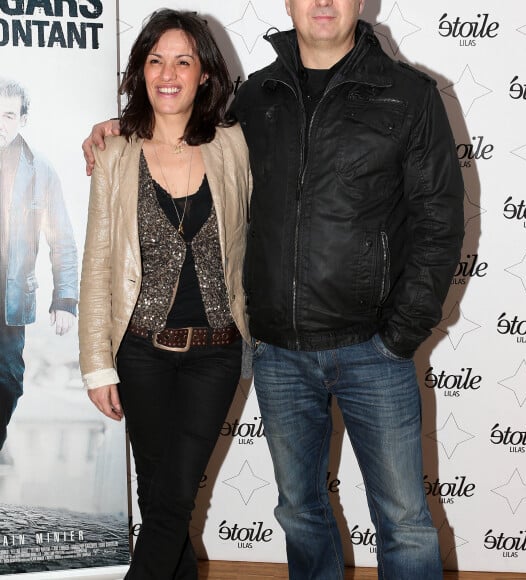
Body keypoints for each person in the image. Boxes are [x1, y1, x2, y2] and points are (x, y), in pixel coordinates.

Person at [83, 1, 464, 578]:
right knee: (299, 513)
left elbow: (439, 223)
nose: (323, 3)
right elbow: (179, 126)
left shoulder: (408, 95)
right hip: (278, 354)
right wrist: (113, 127)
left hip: (372, 351)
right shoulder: (253, 100)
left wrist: (400, 335)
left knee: (405, 520)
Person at [78, 9, 251, 580]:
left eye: (183, 59)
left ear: (204, 74)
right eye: (155, 60)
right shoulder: (115, 152)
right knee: (159, 500)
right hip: (141, 352)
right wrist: (97, 366)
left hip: (215, 352)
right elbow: (98, 262)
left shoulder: (233, 144)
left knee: (173, 499)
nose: (168, 72)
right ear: (140, 72)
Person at [0, 78, 78, 454]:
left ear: (23, 119)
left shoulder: (40, 170)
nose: (1, 123)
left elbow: (61, 238)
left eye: (9, 115)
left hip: (9, 301)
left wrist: (64, 300)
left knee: (8, 382)